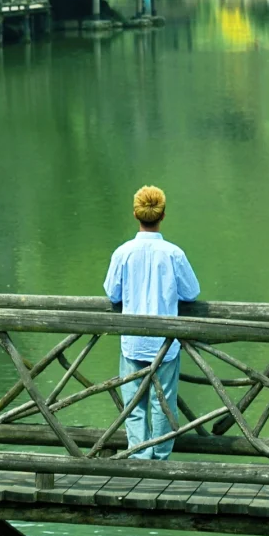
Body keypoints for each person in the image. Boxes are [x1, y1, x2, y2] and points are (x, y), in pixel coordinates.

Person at [103, 185, 199, 460]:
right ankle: (161, 457)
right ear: (163, 215)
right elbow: (191, 292)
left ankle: (139, 457)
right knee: (163, 402)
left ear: (136, 214)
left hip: (132, 340)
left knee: (134, 404)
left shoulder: (123, 253)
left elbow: (112, 293)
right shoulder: (173, 254)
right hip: (165, 343)